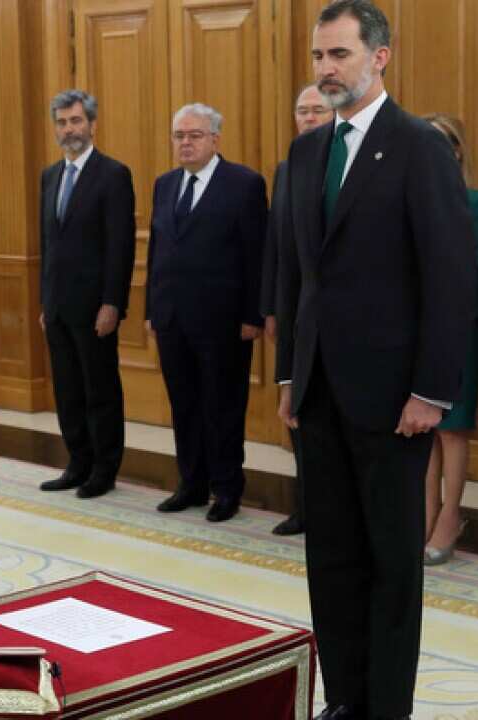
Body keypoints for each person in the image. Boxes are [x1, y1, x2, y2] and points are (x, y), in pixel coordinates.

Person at [274, 1, 476, 717]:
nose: (326, 69)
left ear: (379, 57)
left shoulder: (418, 147)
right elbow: (297, 273)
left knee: (393, 568)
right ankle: (346, 699)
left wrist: (431, 389)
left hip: (397, 403)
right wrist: (290, 375)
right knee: (330, 560)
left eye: (340, 55)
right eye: (319, 56)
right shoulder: (303, 152)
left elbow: (451, 279)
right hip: (321, 395)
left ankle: (385, 707)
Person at [145, 103, 266, 523]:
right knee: (185, 406)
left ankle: (227, 488)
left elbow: (256, 254)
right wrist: (151, 309)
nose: (185, 143)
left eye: (194, 135)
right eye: (179, 136)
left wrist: (254, 314)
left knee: (223, 407)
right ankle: (191, 484)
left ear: (215, 139)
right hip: (172, 318)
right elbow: (157, 249)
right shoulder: (164, 185)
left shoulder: (244, 184)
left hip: (225, 322)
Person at [37, 89, 136, 499]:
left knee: (100, 391)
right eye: (61, 122)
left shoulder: (113, 174)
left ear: (92, 124)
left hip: (96, 307)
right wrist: (46, 302)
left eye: (75, 121)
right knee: (67, 390)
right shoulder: (49, 175)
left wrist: (112, 302)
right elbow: (48, 245)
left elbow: (121, 245)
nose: (68, 129)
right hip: (58, 307)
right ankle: (77, 462)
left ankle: (104, 468)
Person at [419, 113, 478, 565]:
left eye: (443, 142)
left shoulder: (477, 201)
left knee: (452, 427)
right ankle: (425, 515)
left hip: (457, 328)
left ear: (457, 150)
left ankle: (451, 516)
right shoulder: (408, 198)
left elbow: (470, 271)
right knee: (424, 429)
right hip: (414, 331)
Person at [264, 83, 334, 537]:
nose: (308, 118)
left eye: (317, 110)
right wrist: (271, 307)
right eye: (301, 111)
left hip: (339, 317)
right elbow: (277, 245)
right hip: (294, 311)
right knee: (296, 412)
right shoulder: (288, 167)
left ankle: (327, 510)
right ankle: (306, 505)